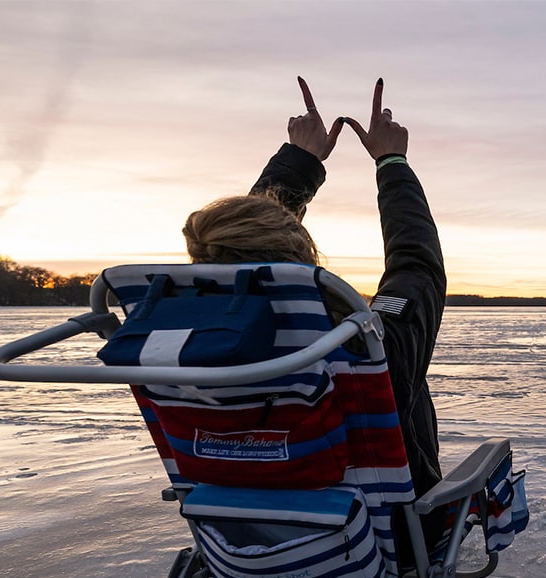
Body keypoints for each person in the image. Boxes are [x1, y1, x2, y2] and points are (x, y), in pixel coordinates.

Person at [182, 77, 448, 497]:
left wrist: (299, 160)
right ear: (301, 254)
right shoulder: (363, 349)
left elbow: (233, 259)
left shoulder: (182, 347)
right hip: (378, 543)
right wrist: (391, 162)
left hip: (239, 537)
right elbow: (416, 265)